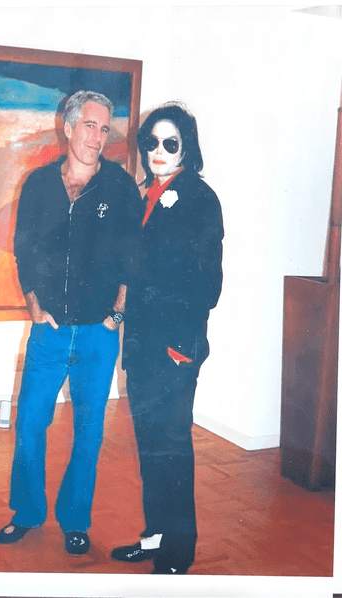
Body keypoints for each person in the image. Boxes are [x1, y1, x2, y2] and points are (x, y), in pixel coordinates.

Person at [0, 91, 143, 555]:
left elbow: (133, 257)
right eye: (90, 126)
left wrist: (116, 315)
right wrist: (33, 303)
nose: (97, 137)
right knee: (30, 422)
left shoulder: (120, 188)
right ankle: (27, 512)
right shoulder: (39, 185)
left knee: (89, 431)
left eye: (104, 128)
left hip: (99, 335)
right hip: (50, 332)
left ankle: (75, 520)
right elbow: (23, 249)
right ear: (69, 127)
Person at [111, 102, 224, 574]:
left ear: (186, 148)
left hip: (174, 349)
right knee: (150, 443)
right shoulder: (146, 195)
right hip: (141, 346)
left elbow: (209, 285)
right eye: (151, 142)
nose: (158, 150)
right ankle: (156, 535)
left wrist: (179, 345)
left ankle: (178, 551)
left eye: (170, 143)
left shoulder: (200, 198)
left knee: (172, 447)